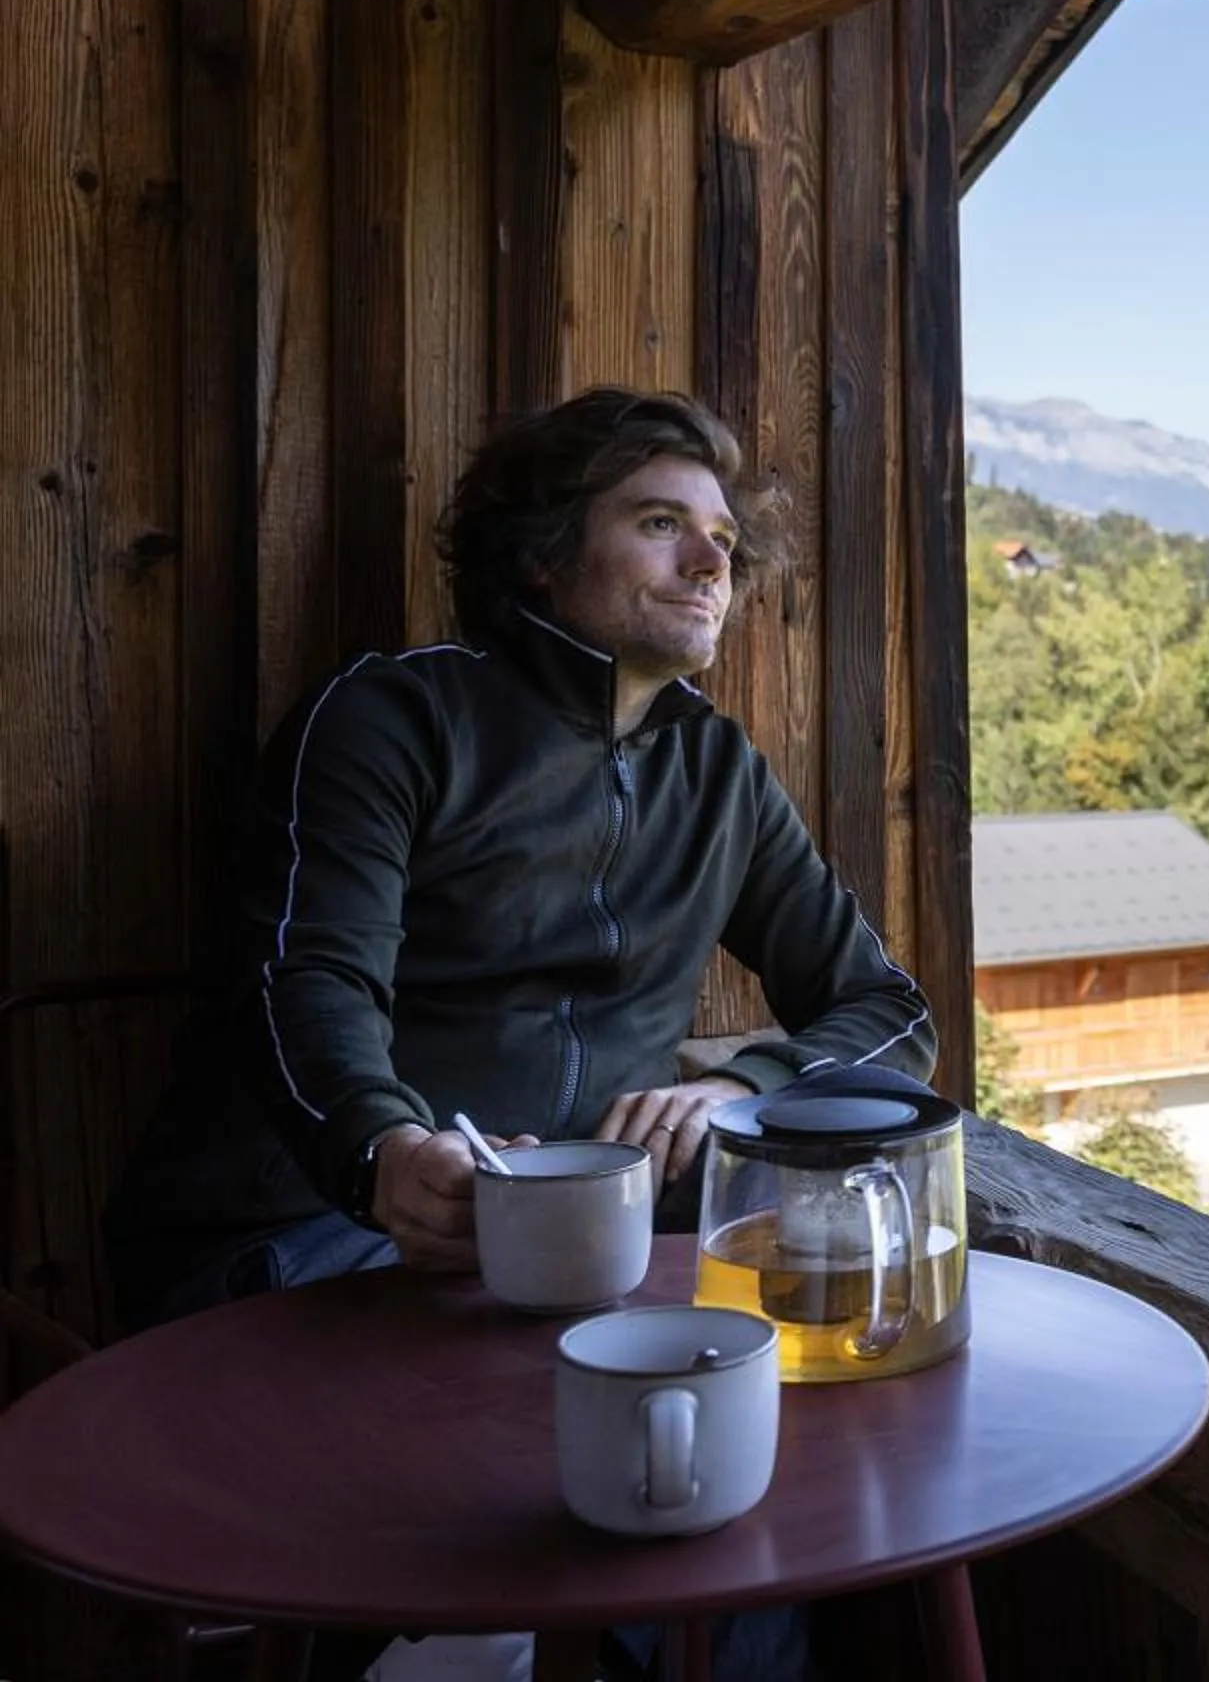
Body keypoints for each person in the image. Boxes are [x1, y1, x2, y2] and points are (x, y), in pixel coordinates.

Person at [104, 389, 934, 1678]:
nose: (711, 563)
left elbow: (892, 1014)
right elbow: (308, 986)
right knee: (572, 1453)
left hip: (596, 1267)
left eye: (723, 538)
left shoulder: (720, 775)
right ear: (542, 554)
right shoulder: (393, 717)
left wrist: (749, 1091)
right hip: (315, 1234)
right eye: (660, 524)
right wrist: (383, 1155)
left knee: (748, 1453)